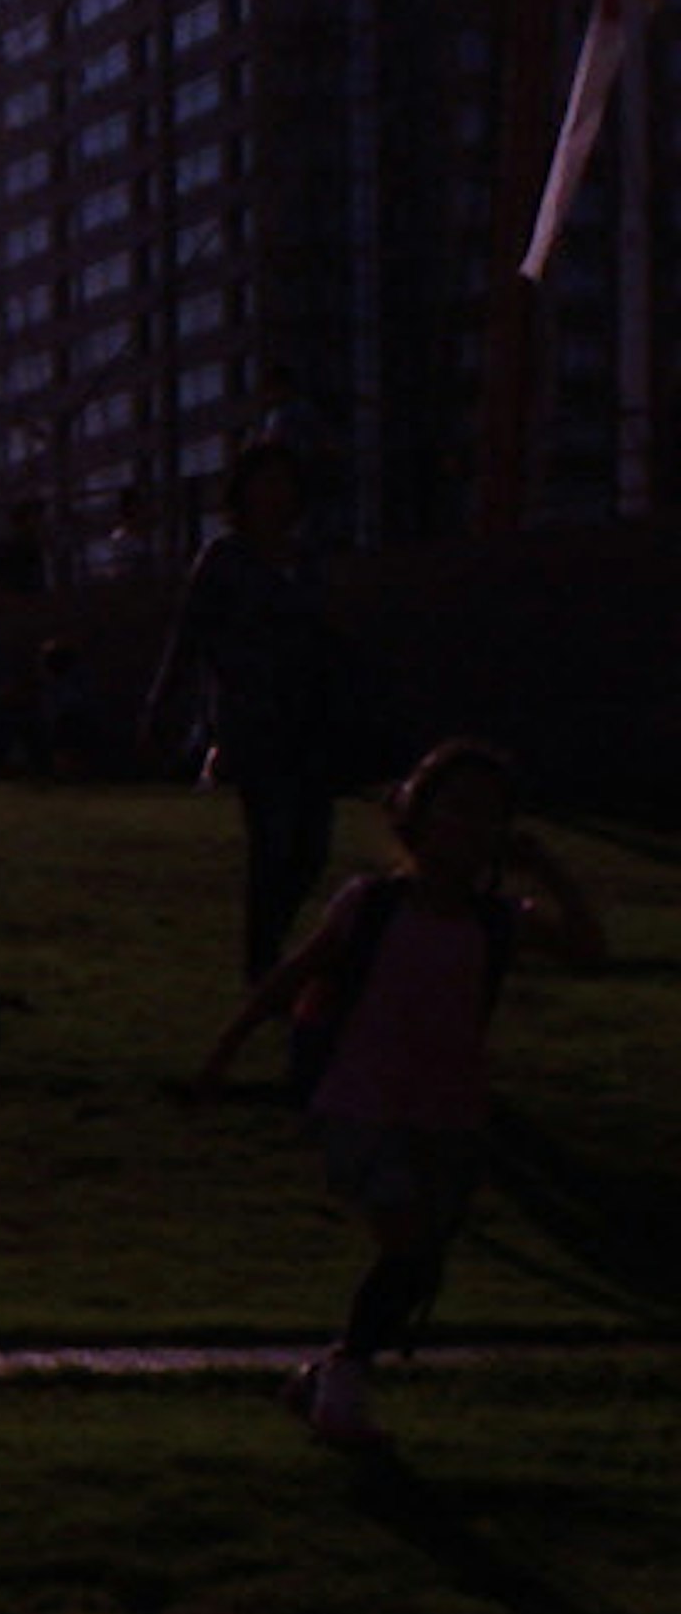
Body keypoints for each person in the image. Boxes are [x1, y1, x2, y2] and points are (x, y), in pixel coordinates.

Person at [195, 737, 604, 1450]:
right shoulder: (374, 904)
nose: (472, 828)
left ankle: (331, 1376)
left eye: (490, 814)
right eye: (458, 809)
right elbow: (296, 974)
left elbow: (589, 949)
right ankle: (343, 1390)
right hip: (359, 1102)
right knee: (407, 1240)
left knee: (416, 1261)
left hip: (448, 1111)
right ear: (416, 817)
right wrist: (226, 1051)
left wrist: (554, 873)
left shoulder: (497, 920)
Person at [143, 441, 340, 975]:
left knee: (313, 847)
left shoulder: (306, 561)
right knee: (274, 843)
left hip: (310, 718)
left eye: (285, 483)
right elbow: (188, 637)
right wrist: (164, 705)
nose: (276, 494)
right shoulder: (225, 560)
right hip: (252, 719)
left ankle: (270, 947)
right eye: (265, 482)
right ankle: (263, 963)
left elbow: (325, 637)